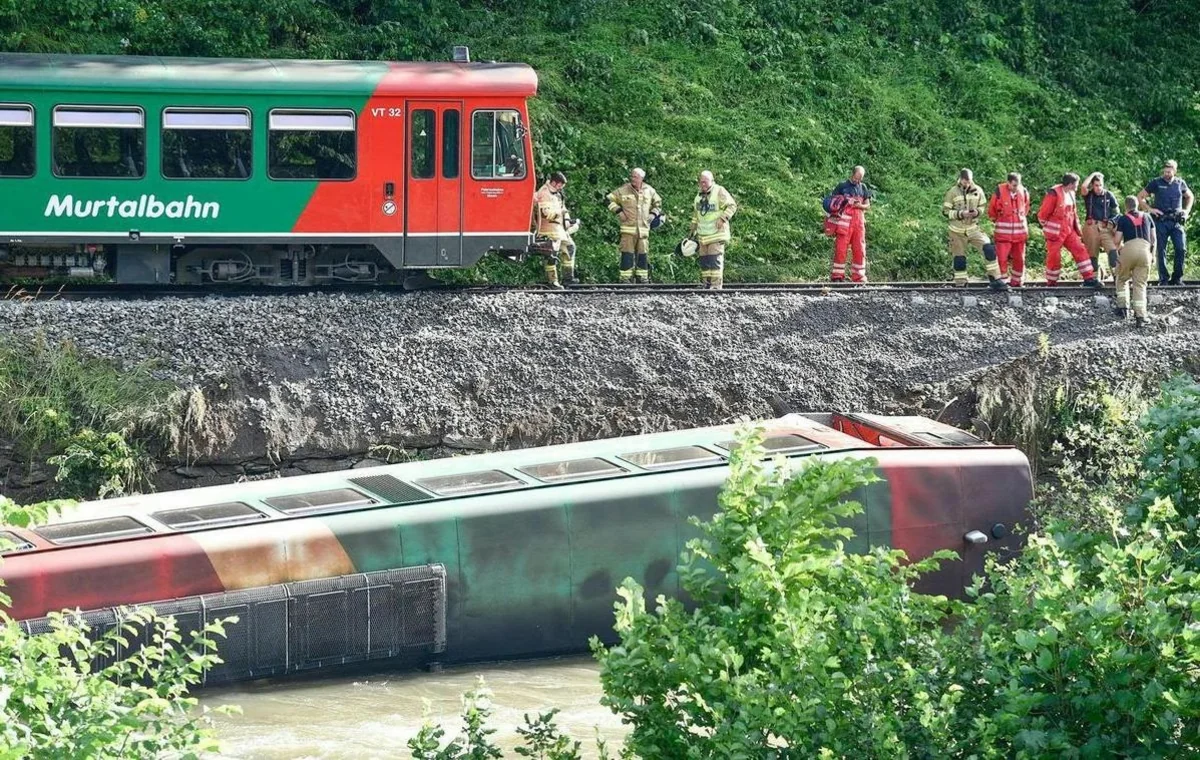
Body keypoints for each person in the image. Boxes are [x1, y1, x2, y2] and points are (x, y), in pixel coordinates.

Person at [941, 169, 1007, 290]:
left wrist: (976, 212)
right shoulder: (952, 192)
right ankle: (961, 284)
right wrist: (961, 214)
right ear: (961, 179)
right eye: (966, 181)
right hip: (956, 230)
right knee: (959, 258)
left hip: (973, 228)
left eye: (970, 181)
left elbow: (982, 206)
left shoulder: (978, 190)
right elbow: (945, 212)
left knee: (989, 249)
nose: (968, 183)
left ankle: (995, 279)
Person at [1036, 172, 1101, 287]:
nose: (1077, 187)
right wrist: (1048, 228)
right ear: (1070, 184)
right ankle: (1051, 281)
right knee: (1054, 256)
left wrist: (1076, 228)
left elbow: (1073, 213)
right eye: (1076, 184)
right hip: (1056, 231)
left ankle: (1089, 278)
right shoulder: (1054, 193)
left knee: (1080, 250)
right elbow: (1043, 214)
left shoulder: (1071, 193)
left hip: (1069, 229)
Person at [1137, 159, 1194, 285]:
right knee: (1161, 249)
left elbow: (1190, 196)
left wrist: (1187, 211)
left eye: (1169, 171)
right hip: (1161, 221)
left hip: (1176, 221)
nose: (1167, 174)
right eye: (1165, 171)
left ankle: (1177, 278)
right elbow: (1140, 197)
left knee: (1181, 248)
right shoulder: (1156, 182)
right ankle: (1163, 279)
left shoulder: (1180, 183)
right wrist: (1150, 209)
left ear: (1175, 171)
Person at [606, 168, 664, 284]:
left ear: (642, 178)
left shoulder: (649, 191)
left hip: (643, 230)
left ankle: (642, 278)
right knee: (627, 254)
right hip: (628, 230)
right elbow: (608, 200)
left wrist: (653, 215)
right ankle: (625, 279)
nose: (632, 179)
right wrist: (618, 211)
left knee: (642, 254)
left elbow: (658, 204)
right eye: (632, 176)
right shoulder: (623, 190)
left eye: (635, 177)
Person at [1112, 195, 1157, 327]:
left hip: (1129, 249)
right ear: (1137, 204)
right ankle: (1140, 317)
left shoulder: (1123, 219)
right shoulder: (1148, 217)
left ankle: (1123, 309)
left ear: (1126, 207)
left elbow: (1116, 241)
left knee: (1121, 278)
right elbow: (1154, 238)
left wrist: (1120, 249)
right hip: (1145, 251)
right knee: (1140, 284)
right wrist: (1152, 255)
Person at [689, 170, 737, 289]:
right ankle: (706, 284)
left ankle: (716, 286)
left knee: (714, 261)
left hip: (716, 234)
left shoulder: (719, 191)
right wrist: (692, 229)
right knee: (705, 262)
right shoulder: (698, 196)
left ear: (712, 181)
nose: (703, 184)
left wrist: (723, 218)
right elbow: (697, 215)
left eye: (705, 182)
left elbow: (732, 205)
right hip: (703, 235)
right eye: (701, 182)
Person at [532, 171, 578, 288]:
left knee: (570, 247)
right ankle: (552, 281)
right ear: (553, 182)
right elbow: (545, 213)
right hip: (548, 230)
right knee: (552, 255)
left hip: (559, 230)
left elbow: (563, 208)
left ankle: (568, 278)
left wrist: (567, 219)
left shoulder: (556, 193)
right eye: (559, 186)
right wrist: (559, 215)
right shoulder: (544, 193)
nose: (560, 188)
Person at [828, 165, 871, 283]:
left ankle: (859, 277)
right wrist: (845, 201)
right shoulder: (842, 186)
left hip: (859, 223)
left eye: (860, 179)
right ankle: (837, 276)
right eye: (856, 178)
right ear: (852, 174)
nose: (857, 181)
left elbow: (867, 205)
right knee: (841, 249)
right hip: (844, 223)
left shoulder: (863, 187)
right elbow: (832, 203)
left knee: (860, 249)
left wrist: (859, 205)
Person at [987, 172, 1031, 287]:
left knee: (1019, 259)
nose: (1016, 188)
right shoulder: (999, 191)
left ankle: (1017, 281)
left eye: (1018, 185)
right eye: (1014, 185)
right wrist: (998, 220)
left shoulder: (1024, 191)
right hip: (1003, 234)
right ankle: (1002, 282)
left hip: (1020, 233)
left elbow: (1026, 208)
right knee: (1001, 258)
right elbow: (992, 210)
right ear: (1008, 183)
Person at [1080, 171, 1120, 281]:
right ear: (1093, 185)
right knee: (1092, 254)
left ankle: (1117, 276)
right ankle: (1094, 278)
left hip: (1106, 227)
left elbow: (1117, 212)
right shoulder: (1089, 195)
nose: (1099, 188)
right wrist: (1093, 174)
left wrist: (1112, 222)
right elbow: (1083, 187)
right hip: (1091, 226)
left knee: (1113, 250)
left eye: (1100, 185)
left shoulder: (1109, 195)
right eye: (1096, 185)